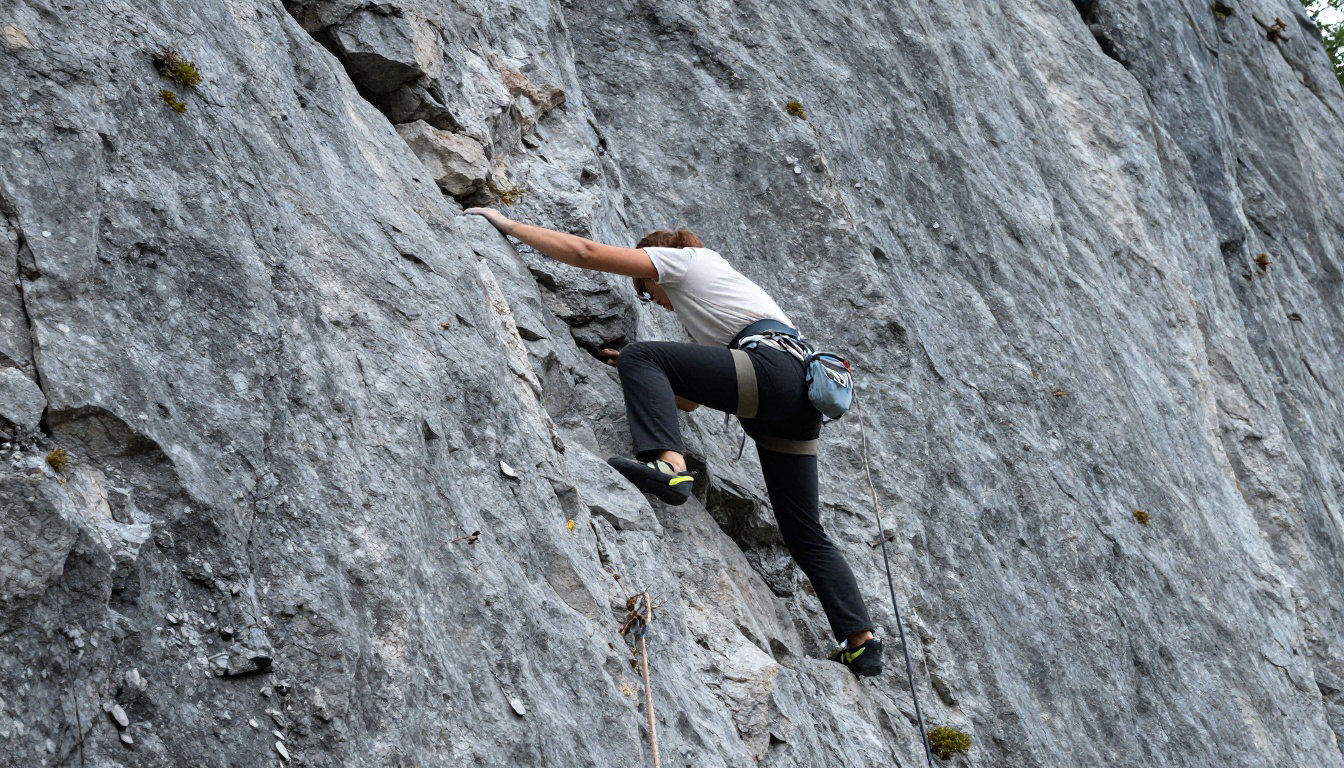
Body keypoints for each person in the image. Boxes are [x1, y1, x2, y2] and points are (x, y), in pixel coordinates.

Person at [463, 207, 883, 677]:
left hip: (771, 373)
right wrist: (640, 373)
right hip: (799, 398)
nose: (654, 300)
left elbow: (586, 253)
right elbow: (690, 403)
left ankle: (669, 467)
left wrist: (510, 226)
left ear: (656, 262)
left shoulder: (688, 262)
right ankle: (860, 641)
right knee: (805, 531)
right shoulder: (723, 297)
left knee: (644, 355)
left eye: (646, 289)